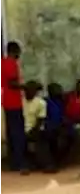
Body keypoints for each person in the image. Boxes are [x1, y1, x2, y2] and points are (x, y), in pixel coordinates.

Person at [0, 41, 27, 173]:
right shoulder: (11, 63)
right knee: (18, 133)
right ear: (15, 51)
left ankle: (14, 163)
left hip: (6, 102)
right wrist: (26, 87)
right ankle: (20, 162)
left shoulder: (2, 62)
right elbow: (12, 83)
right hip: (14, 102)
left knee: (11, 133)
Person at [22, 80, 52, 173]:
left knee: (41, 141)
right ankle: (27, 165)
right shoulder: (21, 101)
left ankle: (48, 165)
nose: (28, 92)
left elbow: (40, 120)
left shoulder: (41, 103)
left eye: (31, 90)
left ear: (35, 91)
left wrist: (32, 131)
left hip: (36, 129)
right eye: (26, 90)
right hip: (22, 129)